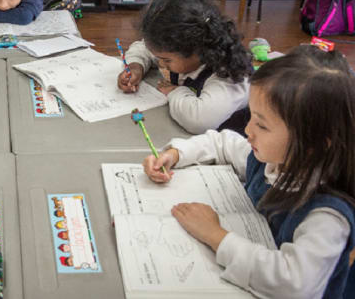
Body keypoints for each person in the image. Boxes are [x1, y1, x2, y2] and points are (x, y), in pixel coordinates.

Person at [142, 45, 355, 298]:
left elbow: (295, 285)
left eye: (262, 125)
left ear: (312, 143)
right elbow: (221, 143)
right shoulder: (273, 159)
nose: (248, 130)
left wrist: (216, 236)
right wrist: (177, 153)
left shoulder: (327, 216)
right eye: (251, 116)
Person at [117, 0, 253, 135]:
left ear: (197, 50)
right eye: (158, 57)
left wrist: (175, 92)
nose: (161, 64)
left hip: (236, 147)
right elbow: (142, 48)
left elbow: (199, 120)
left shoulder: (228, 74)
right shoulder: (183, 51)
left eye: (167, 60)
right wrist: (136, 67)